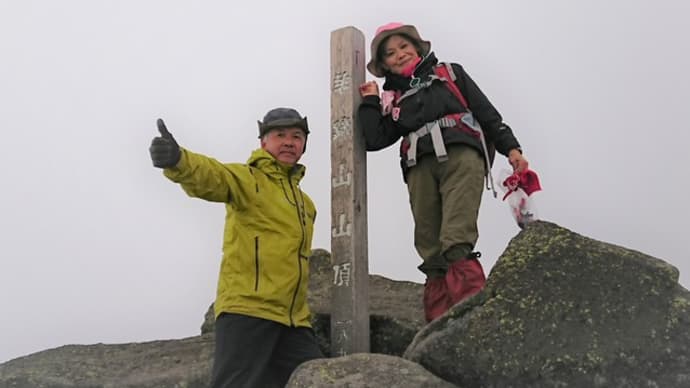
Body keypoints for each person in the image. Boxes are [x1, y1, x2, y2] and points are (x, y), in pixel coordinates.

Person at [358, 22, 531, 322]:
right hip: (418, 166)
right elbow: (374, 139)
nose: (399, 55)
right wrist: (371, 102)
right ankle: (438, 328)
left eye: (404, 47)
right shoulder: (392, 98)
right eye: (390, 53)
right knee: (429, 247)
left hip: (461, 156)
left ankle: (473, 322)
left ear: (417, 47)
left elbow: (487, 113)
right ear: (384, 64)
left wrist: (512, 149)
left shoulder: (450, 73)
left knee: (456, 237)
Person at [148, 107, 323, 387]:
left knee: (319, 380)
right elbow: (213, 176)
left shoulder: (306, 204)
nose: (289, 142)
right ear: (263, 143)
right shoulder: (247, 179)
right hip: (248, 310)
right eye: (280, 135)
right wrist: (178, 160)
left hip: (295, 321)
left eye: (297, 136)